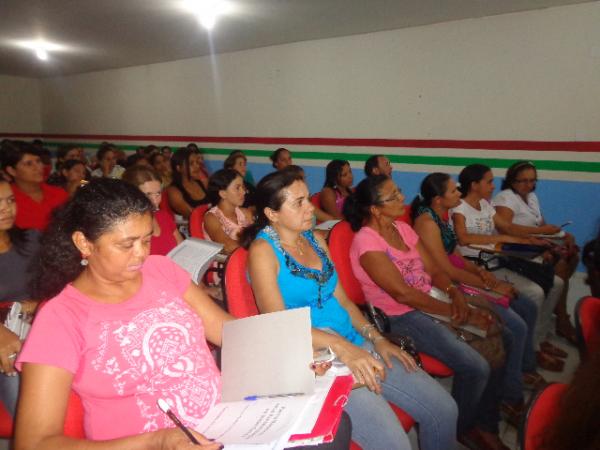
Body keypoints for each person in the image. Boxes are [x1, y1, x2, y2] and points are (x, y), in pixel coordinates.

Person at [14, 178, 351, 450]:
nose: (141, 254)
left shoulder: (160, 270)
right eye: (126, 244)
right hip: (149, 443)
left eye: (146, 240)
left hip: (226, 423)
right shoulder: (61, 318)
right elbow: (34, 442)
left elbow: (227, 330)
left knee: (331, 427)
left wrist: (293, 356)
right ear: (84, 244)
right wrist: (155, 441)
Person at [244, 170, 458, 450]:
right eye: (299, 203)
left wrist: (378, 339)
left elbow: (343, 301)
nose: (310, 207)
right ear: (272, 214)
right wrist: (341, 347)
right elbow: (279, 325)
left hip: (354, 344)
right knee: (396, 444)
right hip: (320, 361)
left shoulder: (315, 240)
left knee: (444, 409)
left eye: (308, 198)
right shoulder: (263, 252)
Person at [344, 175, 509, 450]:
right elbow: (404, 294)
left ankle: (486, 417)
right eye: (393, 196)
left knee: (501, 328)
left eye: (399, 192)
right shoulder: (367, 243)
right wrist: (460, 312)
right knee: (475, 366)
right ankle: (463, 428)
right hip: (401, 317)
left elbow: (432, 270)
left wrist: (454, 292)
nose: (402, 199)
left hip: (432, 298)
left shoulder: (403, 229)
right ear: (374, 209)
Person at [411, 173, 545, 423]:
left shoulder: (443, 215)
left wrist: (483, 274)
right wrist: (490, 285)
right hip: (447, 285)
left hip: (459, 277)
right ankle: (510, 394)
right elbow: (446, 271)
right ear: (438, 199)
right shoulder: (426, 223)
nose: (459, 194)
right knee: (513, 326)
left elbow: (456, 255)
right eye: (453, 191)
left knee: (525, 305)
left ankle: (517, 375)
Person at [450, 164, 566, 372]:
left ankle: (536, 342)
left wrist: (532, 240)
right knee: (535, 292)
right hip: (479, 266)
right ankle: (532, 350)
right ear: (474, 185)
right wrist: (502, 238)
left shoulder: (485, 205)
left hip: (497, 261)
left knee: (555, 283)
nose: (493, 186)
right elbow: (464, 238)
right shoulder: (459, 208)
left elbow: (507, 228)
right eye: (489, 181)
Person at [492, 160, 579, 344]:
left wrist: (562, 235)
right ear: (512, 181)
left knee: (571, 256)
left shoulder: (531, 197)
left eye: (532, 180)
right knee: (558, 270)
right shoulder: (505, 198)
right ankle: (559, 319)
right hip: (515, 251)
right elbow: (505, 229)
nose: (529, 185)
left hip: (534, 246)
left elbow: (542, 225)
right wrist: (543, 240)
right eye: (523, 181)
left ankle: (547, 324)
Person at [0, 178, 40, 417]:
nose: (6, 208)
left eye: (10, 200)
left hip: (38, 326)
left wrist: (41, 302)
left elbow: (61, 280)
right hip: (8, 336)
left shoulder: (32, 240)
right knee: (16, 366)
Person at [0, 140, 69, 231]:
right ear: (11, 171)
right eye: (29, 164)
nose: (38, 167)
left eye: (38, 161)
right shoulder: (8, 200)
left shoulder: (59, 194)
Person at [122, 166, 183, 256]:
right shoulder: (124, 226)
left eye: (158, 193)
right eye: (147, 195)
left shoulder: (163, 216)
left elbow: (181, 249)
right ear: (131, 195)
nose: (155, 201)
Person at [203, 169, 253, 255]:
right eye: (237, 188)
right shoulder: (212, 218)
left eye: (243, 187)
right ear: (223, 194)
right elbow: (227, 246)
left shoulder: (246, 213)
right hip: (226, 265)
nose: (244, 192)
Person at [166, 147, 209, 219]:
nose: (197, 166)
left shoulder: (201, 183)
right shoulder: (174, 191)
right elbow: (193, 216)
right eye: (191, 164)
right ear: (178, 168)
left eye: (197, 162)